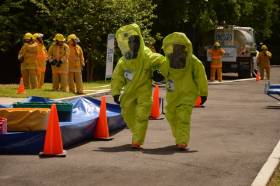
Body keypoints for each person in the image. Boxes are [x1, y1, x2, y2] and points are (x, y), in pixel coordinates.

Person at [111, 23, 165, 149]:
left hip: (144, 90)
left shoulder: (147, 56)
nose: (133, 45)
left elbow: (163, 61)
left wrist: (160, 73)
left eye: (135, 42)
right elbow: (117, 77)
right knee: (127, 112)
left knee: (142, 114)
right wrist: (116, 92)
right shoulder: (125, 60)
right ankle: (137, 132)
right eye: (130, 42)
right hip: (129, 91)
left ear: (140, 42)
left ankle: (137, 140)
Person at [160, 32, 208, 150]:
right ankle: (179, 136)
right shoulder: (169, 59)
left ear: (185, 46)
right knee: (171, 115)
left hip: (187, 94)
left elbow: (201, 77)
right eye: (175, 45)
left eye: (179, 46)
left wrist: (203, 93)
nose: (177, 48)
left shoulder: (193, 61)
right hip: (172, 94)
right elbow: (164, 72)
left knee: (183, 117)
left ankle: (182, 141)